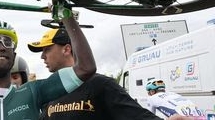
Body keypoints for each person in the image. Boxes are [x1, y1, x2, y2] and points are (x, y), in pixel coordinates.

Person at [28, 27, 194, 120]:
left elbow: (136, 117)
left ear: (66, 49)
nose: (43, 56)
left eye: (47, 49)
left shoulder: (100, 85)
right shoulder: (48, 92)